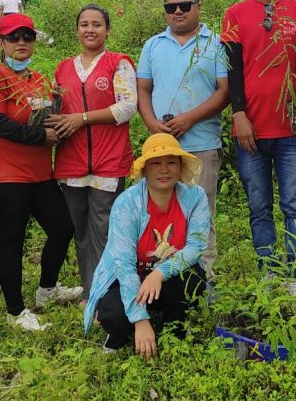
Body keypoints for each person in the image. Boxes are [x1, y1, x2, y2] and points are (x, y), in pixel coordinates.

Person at [0, 13, 82, 331]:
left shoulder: (40, 79)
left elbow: (48, 116)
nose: (21, 43)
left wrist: (57, 128)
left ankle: (47, 290)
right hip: (6, 177)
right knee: (12, 241)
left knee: (63, 228)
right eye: (14, 37)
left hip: (40, 173)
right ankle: (15, 311)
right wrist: (40, 136)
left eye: (27, 37)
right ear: (2, 42)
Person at [221, 0, 296, 296]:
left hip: (291, 129)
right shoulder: (235, 14)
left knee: (294, 204)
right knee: (259, 206)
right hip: (250, 131)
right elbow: (232, 69)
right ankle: (269, 271)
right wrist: (239, 114)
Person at [83, 133, 209, 359]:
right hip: (127, 276)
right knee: (115, 315)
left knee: (195, 278)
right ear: (144, 170)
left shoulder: (195, 196)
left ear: (180, 167)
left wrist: (159, 273)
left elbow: (196, 246)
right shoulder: (127, 203)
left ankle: (174, 329)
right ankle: (122, 333)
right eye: (156, 163)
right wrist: (140, 320)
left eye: (171, 162)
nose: (164, 170)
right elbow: (123, 264)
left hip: (164, 277)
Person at [137, 0, 228, 280]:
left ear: (198, 7)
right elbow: (143, 90)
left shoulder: (214, 43)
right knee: (161, 216)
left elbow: (223, 92)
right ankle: (165, 280)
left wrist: (189, 119)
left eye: (185, 6)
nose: (178, 12)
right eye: (170, 7)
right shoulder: (153, 45)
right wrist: (153, 125)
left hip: (201, 143)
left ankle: (204, 282)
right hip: (161, 149)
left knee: (201, 214)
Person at [49, 4, 136, 301]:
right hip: (71, 164)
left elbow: (126, 108)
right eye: (84, 24)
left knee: (106, 232)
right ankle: (90, 294)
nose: (90, 29)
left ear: (108, 30)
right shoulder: (62, 69)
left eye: (97, 24)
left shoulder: (119, 63)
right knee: (81, 234)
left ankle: (108, 296)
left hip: (108, 162)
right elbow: (56, 110)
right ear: (76, 30)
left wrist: (82, 118)